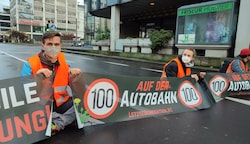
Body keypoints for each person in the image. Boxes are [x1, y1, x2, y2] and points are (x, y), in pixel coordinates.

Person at [21, 31, 81, 135]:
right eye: (49, 44)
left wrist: (75, 76)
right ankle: (62, 120)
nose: (53, 47)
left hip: (60, 104)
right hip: (40, 106)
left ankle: (56, 124)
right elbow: (22, 92)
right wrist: (36, 77)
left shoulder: (66, 65)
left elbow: (78, 88)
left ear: (60, 46)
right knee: (26, 114)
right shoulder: (30, 65)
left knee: (81, 105)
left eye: (56, 44)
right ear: (43, 46)